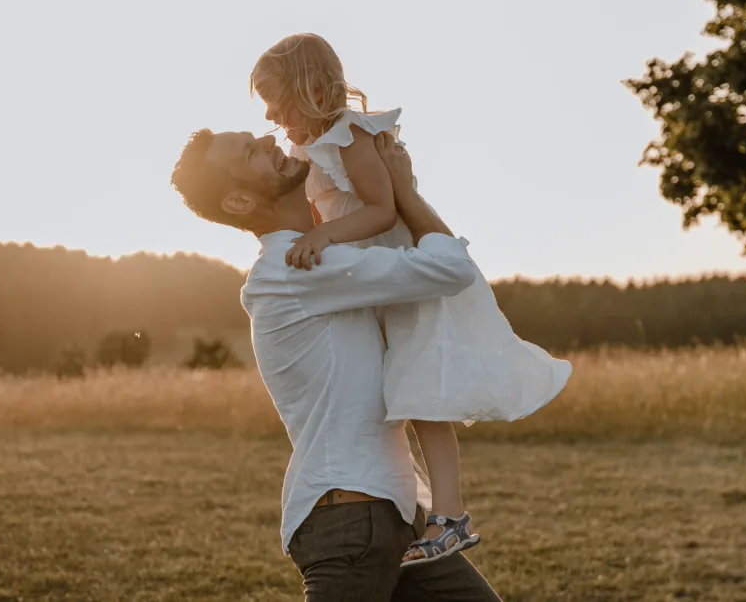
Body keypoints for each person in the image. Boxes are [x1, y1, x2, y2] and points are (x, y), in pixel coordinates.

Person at [250, 33, 573, 564]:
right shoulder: (310, 150)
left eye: (273, 96)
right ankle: (420, 503)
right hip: (372, 281)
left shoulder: (350, 136)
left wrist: (324, 237)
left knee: (423, 396)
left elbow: (380, 210)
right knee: (407, 396)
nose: (268, 112)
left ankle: (451, 516)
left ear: (308, 86)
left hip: (400, 273)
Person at [170, 130, 502, 601]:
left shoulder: (317, 257)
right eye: (251, 152)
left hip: (395, 517)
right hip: (351, 522)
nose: (268, 139)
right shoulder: (298, 268)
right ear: (241, 201)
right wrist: (403, 192)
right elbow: (450, 268)